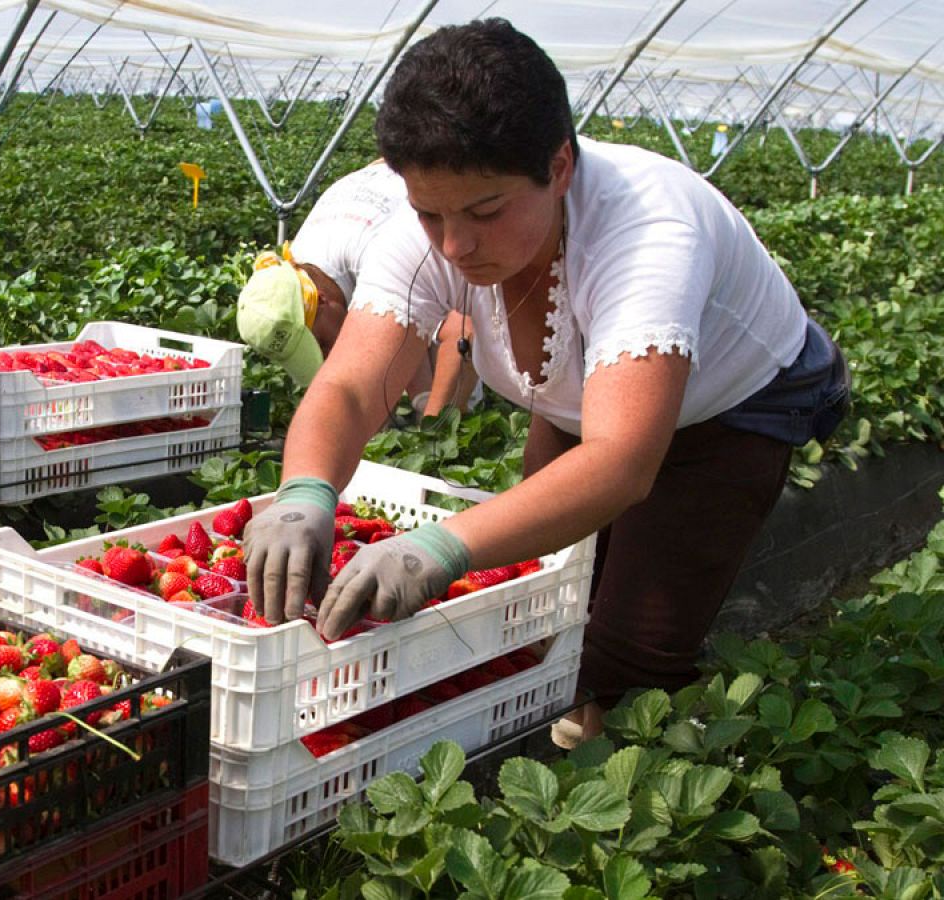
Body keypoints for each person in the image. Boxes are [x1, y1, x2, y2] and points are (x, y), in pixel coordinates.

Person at [243, 18, 849, 745]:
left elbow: (621, 462)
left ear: (560, 166)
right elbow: (347, 388)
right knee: (553, 583)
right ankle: (548, 726)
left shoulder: (647, 233)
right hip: (578, 395)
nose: (454, 244)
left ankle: (617, 762)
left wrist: (437, 548)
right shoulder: (430, 235)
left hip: (732, 408)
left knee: (633, 641)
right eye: (429, 213)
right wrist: (305, 491)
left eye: (485, 212)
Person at [235, 161, 481, 418]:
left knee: (457, 388)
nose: (325, 355)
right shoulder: (298, 264)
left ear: (322, 300)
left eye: (323, 342)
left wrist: (437, 426)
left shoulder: (385, 254)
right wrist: (416, 396)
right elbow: (401, 316)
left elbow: (464, 326)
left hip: (455, 193)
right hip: (389, 191)